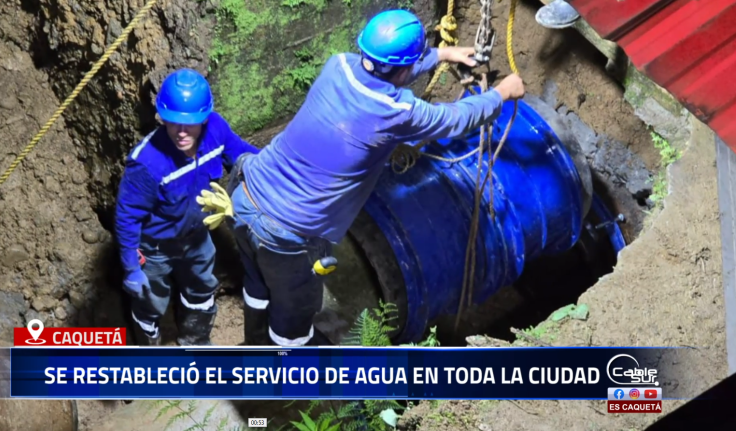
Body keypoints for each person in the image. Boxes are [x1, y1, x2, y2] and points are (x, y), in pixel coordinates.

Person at [227, 9, 526, 347]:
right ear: (403, 69)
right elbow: (455, 119)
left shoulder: (337, 65)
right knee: (296, 308)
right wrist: (501, 93)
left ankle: (253, 342)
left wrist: (442, 54)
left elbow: (384, 71)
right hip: (284, 229)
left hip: (245, 191)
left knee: (257, 282)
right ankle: (284, 372)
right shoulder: (397, 112)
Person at [114, 68, 259, 346]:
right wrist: (131, 267)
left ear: (204, 117)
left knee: (202, 289)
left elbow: (243, 155)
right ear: (162, 117)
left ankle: (195, 343)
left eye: (190, 123)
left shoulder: (216, 131)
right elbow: (127, 217)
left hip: (197, 238)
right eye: (173, 122)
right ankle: (149, 354)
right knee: (150, 302)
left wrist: (279, 167)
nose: (181, 132)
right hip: (155, 248)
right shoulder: (147, 163)